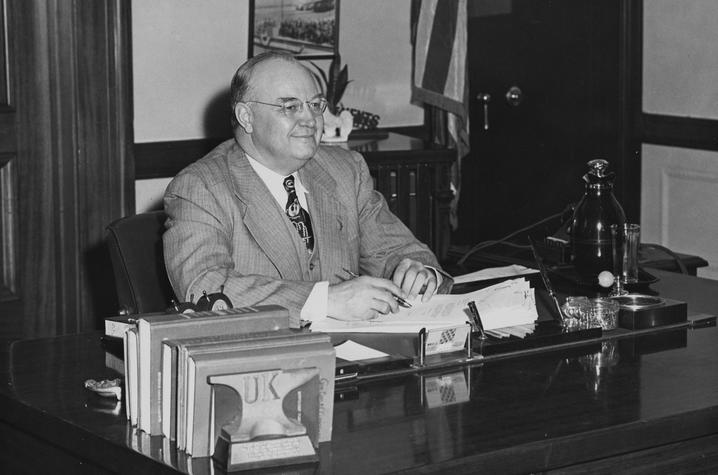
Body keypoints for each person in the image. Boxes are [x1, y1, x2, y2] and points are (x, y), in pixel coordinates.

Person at [163, 51, 452, 327]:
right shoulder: (200, 187)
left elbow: (397, 251)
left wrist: (418, 272)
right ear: (246, 117)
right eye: (290, 107)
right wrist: (324, 301)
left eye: (315, 106)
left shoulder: (345, 171)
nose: (310, 120)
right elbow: (203, 289)